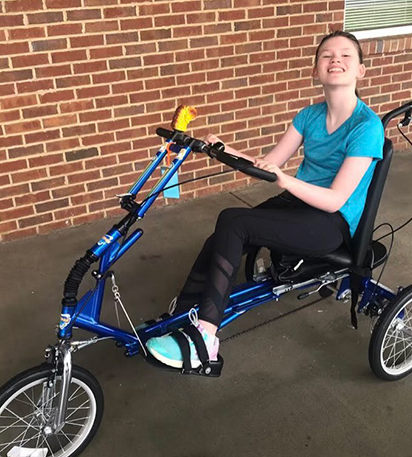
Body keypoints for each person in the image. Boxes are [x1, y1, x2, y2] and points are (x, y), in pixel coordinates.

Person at [146, 30, 385, 369]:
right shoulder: (309, 116)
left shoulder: (367, 127)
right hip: (296, 206)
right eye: (326, 55)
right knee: (221, 236)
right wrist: (224, 149)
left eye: (346, 55)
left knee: (234, 220)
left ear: (361, 70)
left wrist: (285, 179)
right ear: (315, 70)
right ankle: (179, 317)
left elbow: (335, 200)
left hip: (330, 223)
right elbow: (269, 163)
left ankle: (205, 339)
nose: (335, 59)